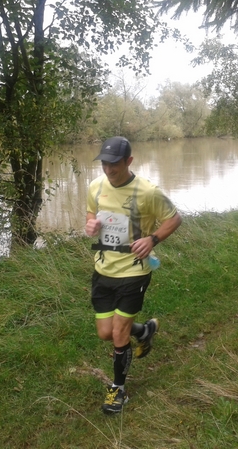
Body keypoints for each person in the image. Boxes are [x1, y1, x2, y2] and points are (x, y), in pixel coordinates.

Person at [85, 136, 182, 415]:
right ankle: (145, 330)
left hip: (134, 270)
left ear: (129, 161)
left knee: (118, 334)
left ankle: (118, 390)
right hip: (103, 269)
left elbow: (174, 219)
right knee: (106, 332)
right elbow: (90, 215)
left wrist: (152, 239)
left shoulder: (148, 191)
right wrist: (90, 226)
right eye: (104, 163)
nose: (108, 169)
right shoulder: (95, 187)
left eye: (114, 164)